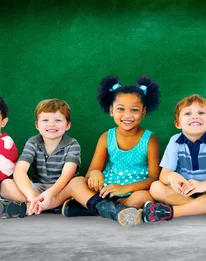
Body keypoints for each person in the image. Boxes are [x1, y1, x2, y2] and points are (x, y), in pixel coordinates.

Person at [61, 75, 162, 228]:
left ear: (143, 112)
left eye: (134, 110)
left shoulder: (150, 139)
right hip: (106, 189)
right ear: (111, 110)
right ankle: (114, 210)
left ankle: (96, 208)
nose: (127, 115)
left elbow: (154, 177)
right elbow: (92, 171)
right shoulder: (106, 137)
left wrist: (124, 189)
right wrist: (95, 173)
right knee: (76, 182)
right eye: (120, 109)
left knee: (144, 197)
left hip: (134, 190)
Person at [143, 94, 206, 222]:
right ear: (177, 123)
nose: (195, 116)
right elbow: (164, 175)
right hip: (185, 192)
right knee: (156, 187)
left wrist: (203, 186)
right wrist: (172, 177)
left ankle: (174, 212)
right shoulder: (174, 141)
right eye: (187, 113)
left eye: (201, 112)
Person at [0, 98, 81, 219]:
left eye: (58, 120)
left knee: (78, 183)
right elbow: (20, 170)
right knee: (6, 184)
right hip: (37, 187)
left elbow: (67, 174)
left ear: (67, 125)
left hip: (61, 187)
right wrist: (31, 195)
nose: (51, 124)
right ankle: (40, 204)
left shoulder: (72, 144)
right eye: (45, 120)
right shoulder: (33, 142)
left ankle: (28, 207)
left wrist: (51, 193)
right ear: (37, 125)